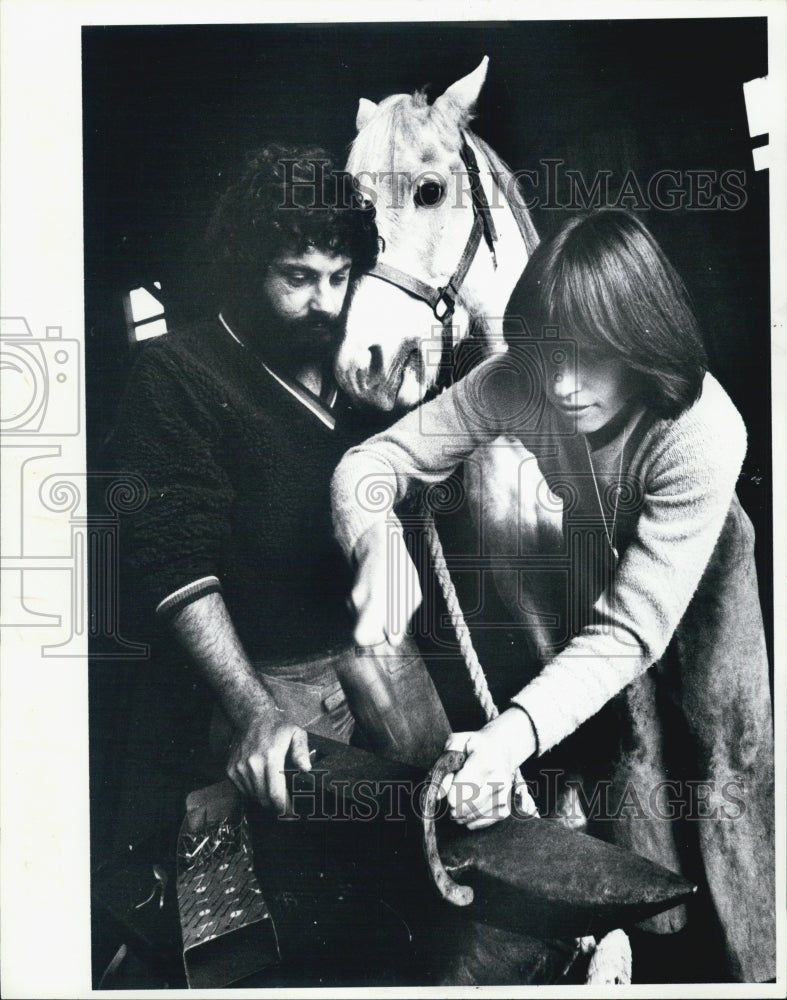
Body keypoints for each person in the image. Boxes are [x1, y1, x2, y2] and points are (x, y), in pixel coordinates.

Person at [331, 209, 775, 982]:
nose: (562, 389)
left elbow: (631, 633)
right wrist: (377, 540)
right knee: (627, 748)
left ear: (643, 340)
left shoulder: (704, 431)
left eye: (588, 361)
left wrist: (505, 740)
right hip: (598, 557)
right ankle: (654, 935)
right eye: (545, 362)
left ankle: (755, 961)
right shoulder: (521, 380)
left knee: (728, 759)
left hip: (699, 575)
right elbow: (370, 463)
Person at [108, 144, 450, 818]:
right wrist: (253, 714)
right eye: (295, 277)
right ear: (244, 268)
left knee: (449, 828)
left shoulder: (358, 359)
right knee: (327, 863)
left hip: (385, 651)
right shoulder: (178, 374)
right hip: (276, 676)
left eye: (337, 276)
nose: (323, 303)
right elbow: (174, 563)